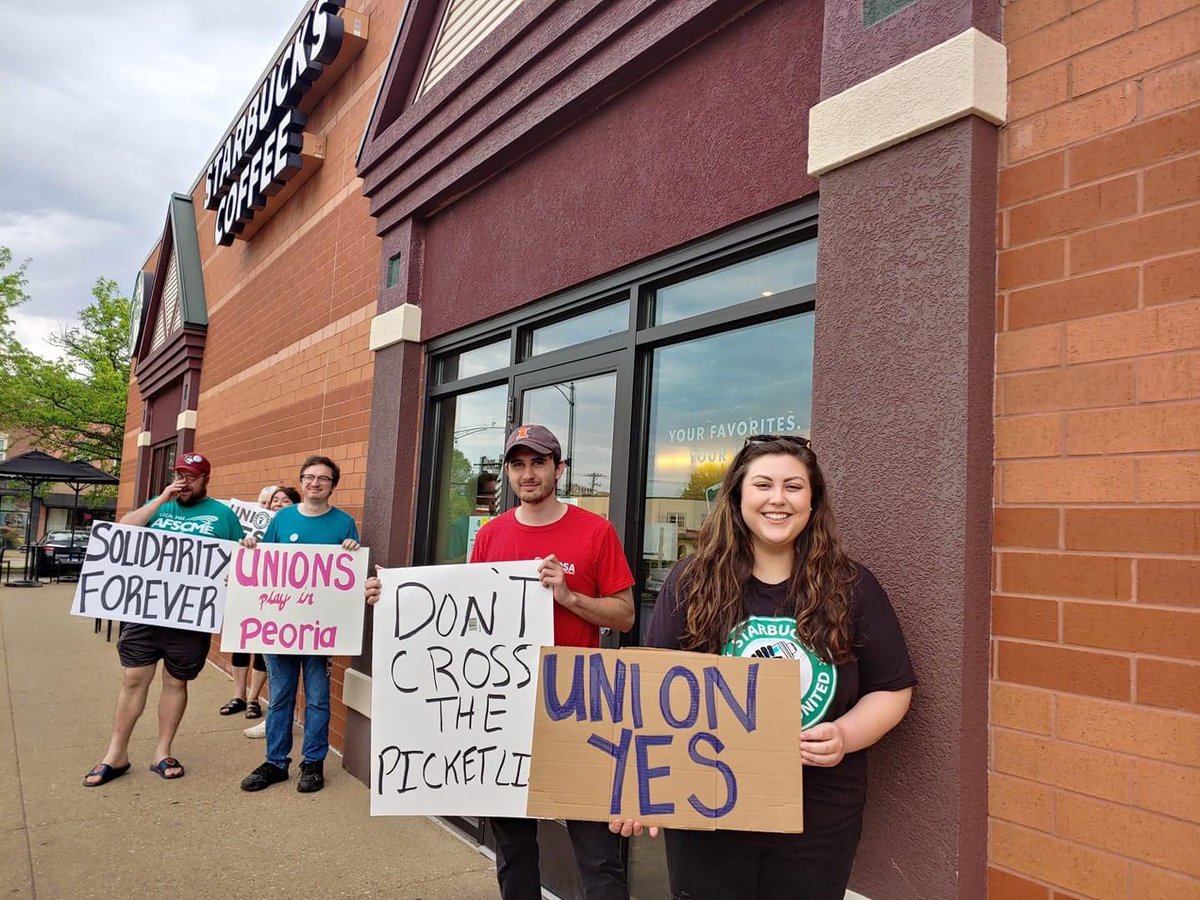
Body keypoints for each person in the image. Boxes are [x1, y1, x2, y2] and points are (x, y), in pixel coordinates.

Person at [613, 435, 916, 900]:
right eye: (763, 485)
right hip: (708, 812)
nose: (778, 499)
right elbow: (652, 694)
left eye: (794, 486)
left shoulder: (852, 586)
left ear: (813, 502)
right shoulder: (690, 583)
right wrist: (641, 784)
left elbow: (892, 688)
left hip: (817, 818)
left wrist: (845, 735)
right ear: (737, 498)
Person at [367, 424, 636, 899]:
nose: (528, 474)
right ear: (508, 471)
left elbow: (626, 615)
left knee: (597, 851)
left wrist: (569, 596)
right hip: (502, 710)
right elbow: (467, 618)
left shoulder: (596, 532)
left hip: (574, 708)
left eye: (538, 463)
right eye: (518, 464)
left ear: (560, 468)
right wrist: (392, 604)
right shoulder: (491, 535)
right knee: (513, 849)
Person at [83, 452, 244, 786]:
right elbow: (119, 533)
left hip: (190, 615)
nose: (184, 482)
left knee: (176, 681)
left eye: (192, 477)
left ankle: (162, 751)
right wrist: (161, 498)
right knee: (133, 678)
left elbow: (240, 560)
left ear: (206, 480)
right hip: (146, 609)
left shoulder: (223, 515)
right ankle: (116, 754)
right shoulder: (159, 506)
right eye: (179, 475)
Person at [239, 456, 359, 794]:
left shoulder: (344, 523)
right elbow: (267, 566)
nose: (315, 483)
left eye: (323, 478)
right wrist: (251, 549)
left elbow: (347, 581)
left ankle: (313, 762)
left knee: (318, 699)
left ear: (333, 485)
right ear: (301, 481)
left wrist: (351, 550)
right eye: (309, 477)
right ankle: (276, 762)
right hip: (282, 627)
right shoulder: (283, 518)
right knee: (280, 697)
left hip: (319, 632)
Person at [230, 485, 303, 738]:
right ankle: (269, 716)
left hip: (294, 607)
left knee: (280, 667)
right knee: (270, 663)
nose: (277, 504)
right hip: (264, 602)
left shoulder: (297, 528)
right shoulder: (261, 530)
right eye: (274, 500)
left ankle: (272, 714)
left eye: (284, 500)